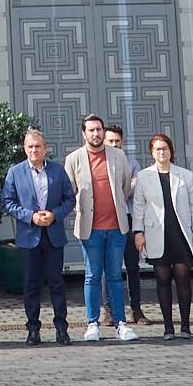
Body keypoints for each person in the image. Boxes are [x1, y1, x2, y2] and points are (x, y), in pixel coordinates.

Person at [64, 115, 139, 343]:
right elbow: (69, 191)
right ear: (84, 133)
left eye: (99, 130)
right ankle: (92, 323)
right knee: (92, 276)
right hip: (90, 228)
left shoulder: (118, 156)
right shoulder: (74, 159)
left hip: (116, 227)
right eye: (91, 130)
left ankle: (121, 323)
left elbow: (126, 186)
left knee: (116, 276)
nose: (96, 134)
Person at [2, 127, 75, 346]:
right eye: (30, 147)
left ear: (45, 149)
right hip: (29, 235)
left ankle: (62, 328)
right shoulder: (15, 172)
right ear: (24, 149)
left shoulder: (57, 170)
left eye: (38, 146)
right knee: (31, 284)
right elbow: (8, 202)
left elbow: (69, 199)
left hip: (53, 235)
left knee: (56, 283)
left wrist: (54, 215)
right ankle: (33, 328)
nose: (34, 150)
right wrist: (30, 216)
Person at [132, 134, 193, 340]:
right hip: (156, 232)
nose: (161, 152)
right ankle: (168, 327)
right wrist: (138, 232)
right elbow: (138, 206)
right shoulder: (144, 176)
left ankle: (185, 326)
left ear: (171, 150)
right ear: (151, 152)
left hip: (180, 231)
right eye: (157, 149)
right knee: (162, 279)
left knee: (183, 277)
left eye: (165, 148)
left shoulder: (185, 175)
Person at [105, 123, 149, 326]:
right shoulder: (99, 162)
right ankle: (108, 310)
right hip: (107, 220)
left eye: (117, 141)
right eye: (110, 141)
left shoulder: (131, 162)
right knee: (108, 267)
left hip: (129, 218)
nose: (114, 144)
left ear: (122, 142)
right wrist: (126, 186)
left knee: (133, 266)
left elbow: (136, 191)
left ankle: (136, 309)